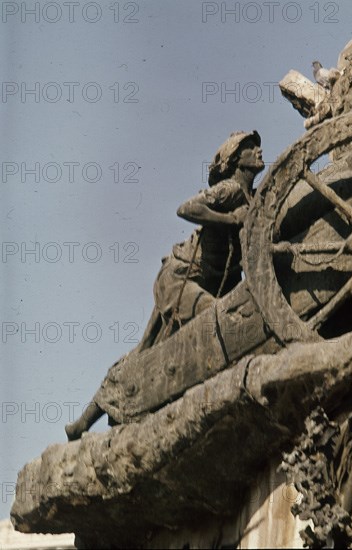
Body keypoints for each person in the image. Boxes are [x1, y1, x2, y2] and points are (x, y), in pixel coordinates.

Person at [65, 130, 265, 440]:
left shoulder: (252, 198)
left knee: (148, 349)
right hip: (180, 277)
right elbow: (186, 208)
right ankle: (90, 417)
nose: (260, 151)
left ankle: (83, 422)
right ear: (237, 160)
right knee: (214, 324)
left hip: (205, 280)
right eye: (251, 148)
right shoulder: (230, 190)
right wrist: (230, 221)